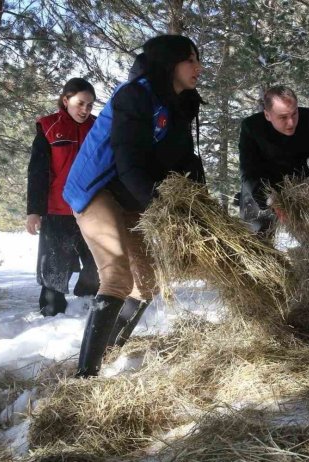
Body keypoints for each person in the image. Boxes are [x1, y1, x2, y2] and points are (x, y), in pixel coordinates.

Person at [66, 35, 205, 377]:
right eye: (190, 60)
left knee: (145, 283)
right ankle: (84, 378)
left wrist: (199, 206)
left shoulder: (179, 102)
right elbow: (128, 163)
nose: (198, 67)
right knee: (115, 275)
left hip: (131, 195)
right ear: (169, 63)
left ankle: (110, 350)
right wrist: (160, 209)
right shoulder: (135, 96)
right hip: (97, 189)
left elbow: (184, 160)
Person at [26, 78, 99, 316]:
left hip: (91, 210)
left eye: (90, 105)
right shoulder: (48, 127)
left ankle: (86, 304)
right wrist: (34, 211)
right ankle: (51, 312)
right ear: (66, 100)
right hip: (57, 210)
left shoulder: (97, 128)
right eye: (80, 103)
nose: (85, 110)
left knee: (96, 263)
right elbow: (37, 171)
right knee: (54, 267)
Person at [238, 85, 309, 234]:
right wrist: (270, 201)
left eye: (294, 114)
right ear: (268, 115)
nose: (291, 123)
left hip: (297, 186)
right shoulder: (251, 127)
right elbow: (248, 172)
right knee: (256, 240)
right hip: (262, 188)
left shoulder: (308, 119)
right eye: (283, 117)